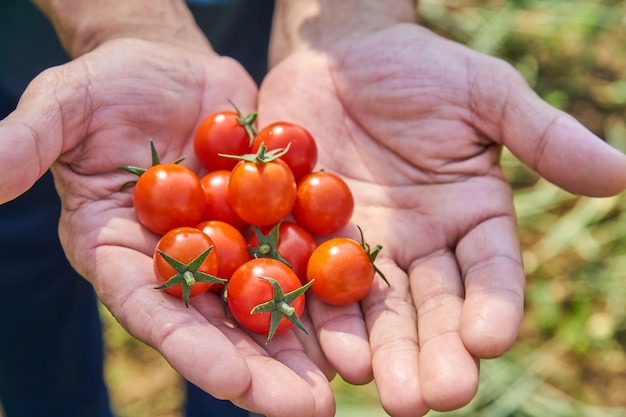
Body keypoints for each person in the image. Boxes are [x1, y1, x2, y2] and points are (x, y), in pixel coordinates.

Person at [1, 1, 625, 417]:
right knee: (26, 305)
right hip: (31, 55)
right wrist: (118, 21)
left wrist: (353, 18)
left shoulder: (264, 228)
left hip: (257, 27)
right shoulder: (227, 216)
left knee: (243, 370)